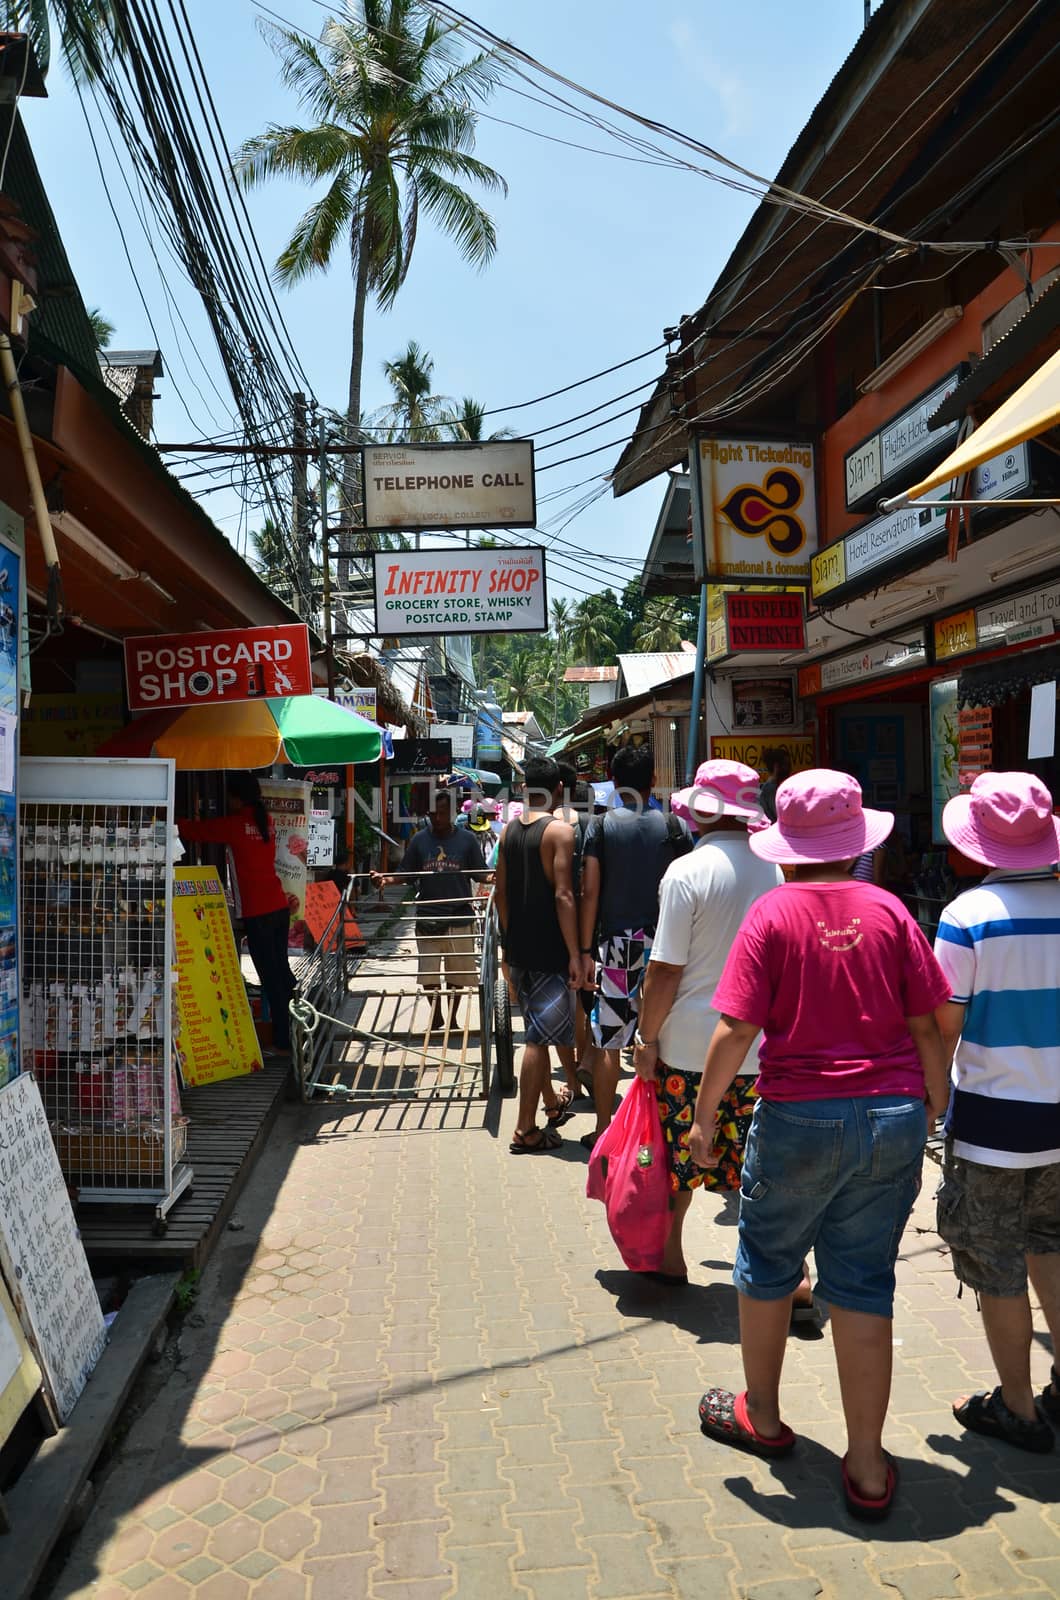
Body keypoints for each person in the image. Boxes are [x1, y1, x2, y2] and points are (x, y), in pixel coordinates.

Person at [690, 769, 951, 1522]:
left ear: (789, 849)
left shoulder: (772, 916)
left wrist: (705, 1121)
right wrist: (934, 1104)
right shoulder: (893, 911)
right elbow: (927, 1024)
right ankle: (867, 1466)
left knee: (767, 1265)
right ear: (852, 845)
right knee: (865, 1282)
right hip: (893, 1114)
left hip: (800, 1116)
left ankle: (763, 1418)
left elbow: (736, 1029)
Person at [933, 772, 1060, 1454]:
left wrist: (932, 1096)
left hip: (992, 1121)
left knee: (999, 1264)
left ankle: (1017, 1407)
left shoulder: (968, 917)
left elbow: (941, 1025)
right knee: (1053, 1247)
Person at [632, 761, 786, 1286]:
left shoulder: (685, 873)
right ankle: (791, 1274)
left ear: (702, 810)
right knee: (758, 1165)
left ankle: (670, 1255)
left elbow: (666, 968)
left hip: (690, 1046)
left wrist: (646, 1038)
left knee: (679, 1157)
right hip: (759, 1046)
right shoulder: (774, 869)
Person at [578, 744, 692, 1151]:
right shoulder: (675, 827)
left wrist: (585, 950)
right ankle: (663, 1130)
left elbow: (590, 891)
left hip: (617, 945)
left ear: (613, 781)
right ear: (654, 780)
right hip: (669, 945)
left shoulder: (602, 826)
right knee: (664, 1037)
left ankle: (605, 1130)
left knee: (609, 1040)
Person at [496, 757, 582, 1153]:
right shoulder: (560, 832)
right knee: (535, 1040)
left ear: (523, 786)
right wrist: (575, 951)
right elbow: (565, 895)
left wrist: (506, 945)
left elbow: (501, 895)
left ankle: (548, 1106)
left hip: (520, 948)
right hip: (549, 950)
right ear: (559, 789)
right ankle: (525, 1130)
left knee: (538, 1033)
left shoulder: (508, 831)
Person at [178, 772, 296, 1056]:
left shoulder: (235, 824)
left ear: (236, 797)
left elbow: (197, 831)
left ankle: (283, 1043)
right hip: (277, 907)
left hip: (260, 912)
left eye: (229, 796)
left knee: (271, 978)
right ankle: (297, 1030)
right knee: (281, 973)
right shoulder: (263, 820)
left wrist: (171, 820)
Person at [371, 789, 486, 1034]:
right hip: (428, 915)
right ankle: (436, 1015)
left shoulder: (467, 840)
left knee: (458, 973)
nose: (438, 818)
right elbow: (406, 872)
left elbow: (480, 872)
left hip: (459, 915)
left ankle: (452, 1018)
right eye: (434, 813)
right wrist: (386, 880)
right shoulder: (420, 840)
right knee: (429, 972)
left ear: (453, 813)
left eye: (443, 813)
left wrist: (496, 876)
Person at [758, 747, 793, 823]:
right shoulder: (771, 789)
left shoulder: (769, 787)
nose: (789, 768)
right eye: (786, 764)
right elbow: (780, 816)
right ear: (776, 766)